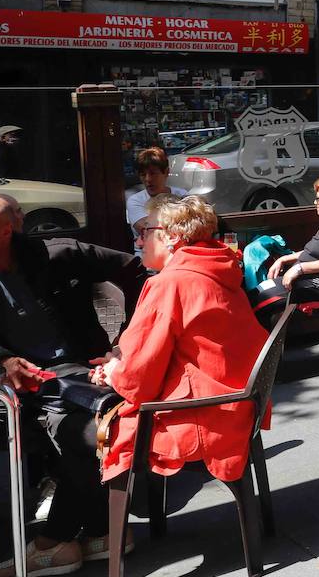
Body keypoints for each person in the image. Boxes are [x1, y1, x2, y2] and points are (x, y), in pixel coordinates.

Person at [0, 194, 146, 577]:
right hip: (13, 376)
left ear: (6, 230)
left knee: (86, 437)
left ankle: (53, 540)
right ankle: (98, 526)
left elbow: (137, 270)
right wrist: (4, 360)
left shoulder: (61, 254)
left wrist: (126, 342)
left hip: (74, 369)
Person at [89, 196, 268, 491]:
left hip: (202, 418)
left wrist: (113, 371)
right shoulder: (219, 269)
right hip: (238, 408)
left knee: (80, 431)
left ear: (171, 236)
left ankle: (108, 533)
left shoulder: (169, 283)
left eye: (145, 231)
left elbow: (139, 379)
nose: (138, 239)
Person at [262, 174, 319, 302]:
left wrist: (299, 268)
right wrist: (283, 259)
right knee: (257, 292)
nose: (315, 202)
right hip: (302, 279)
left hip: (318, 285)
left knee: (262, 299)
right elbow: (311, 251)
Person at [125, 147, 188, 251]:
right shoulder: (135, 200)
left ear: (166, 172)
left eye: (153, 173)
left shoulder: (182, 195)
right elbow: (149, 230)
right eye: (143, 174)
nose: (148, 179)